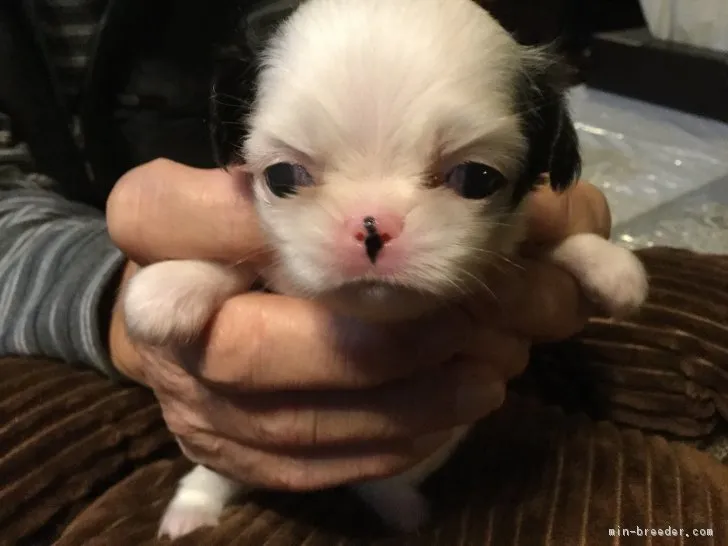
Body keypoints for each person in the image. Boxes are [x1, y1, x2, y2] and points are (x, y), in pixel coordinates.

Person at [0, 1, 610, 492]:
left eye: (473, 177)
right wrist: (110, 286)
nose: (371, 229)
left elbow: (565, 217)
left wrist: (575, 243)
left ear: (542, 160)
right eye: (289, 177)